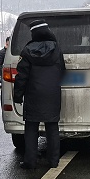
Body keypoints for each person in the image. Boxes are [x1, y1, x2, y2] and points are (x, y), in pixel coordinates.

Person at [13, 19, 65, 168]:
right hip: (52, 94)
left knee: (31, 127)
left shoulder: (27, 50)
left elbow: (21, 76)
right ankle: (53, 161)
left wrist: (18, 96)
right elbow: (62, 71)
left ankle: (30, 161)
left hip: (33, 94)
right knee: (52, 127)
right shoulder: (57, 49)